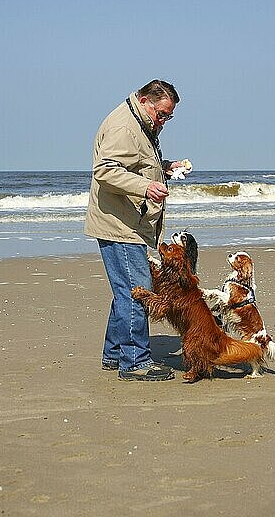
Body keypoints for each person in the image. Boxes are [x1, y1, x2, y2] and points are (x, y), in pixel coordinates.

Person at [85, 80, 183, 381]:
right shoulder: (125, 126)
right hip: (120, 224)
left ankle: (114, 355)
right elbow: (105, 170)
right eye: (162, 114)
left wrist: (161, 169)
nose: (164, 121)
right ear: (144, 101)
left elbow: (132, 163)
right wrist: (146, 187)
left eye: (168, 117)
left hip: (128, 221)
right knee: (137, 292)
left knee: (125, 291)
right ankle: (135, 362)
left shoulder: (140, 123)